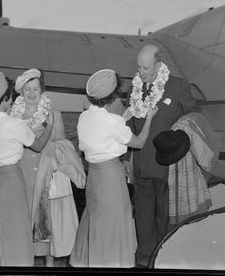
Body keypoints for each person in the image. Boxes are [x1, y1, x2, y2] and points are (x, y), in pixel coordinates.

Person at [69, 69, 158, 268]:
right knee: (116, 219)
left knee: (98, 219)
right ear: (113, 96)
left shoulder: (85, 117)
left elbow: (108, 128)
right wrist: (150, 117)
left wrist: (127, 114)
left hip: (94, 177)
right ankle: (113, 264)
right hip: (111, 178)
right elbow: (139, 142)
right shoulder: (112, 121)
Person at [123, 44, 200, 267]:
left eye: (145, 67)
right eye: (138, 67)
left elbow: (195, 115)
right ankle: (144, 258)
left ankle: (164, 258)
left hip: (168, 166)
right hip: (140, 164)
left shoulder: (177, 86)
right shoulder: (134, 87)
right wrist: (127, 158)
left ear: (159, 65)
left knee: (165, 215)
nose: (141, 72)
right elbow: (129, 127)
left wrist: (181, 134)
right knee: (144, 216)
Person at [0, 71, 54, 266]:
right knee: (16, 230)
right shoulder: (14, 124)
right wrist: (49, 125)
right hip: (12, 180)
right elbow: (38, 146)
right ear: (7, 98)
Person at [11, 68, 85, 267]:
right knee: (23, 219)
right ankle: (22, 261)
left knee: (45, 222)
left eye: (36, 89)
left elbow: (64, 144)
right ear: (21, 91)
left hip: (46, 176)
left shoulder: (53, 114)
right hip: (21, 173)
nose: (32, 93)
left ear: (42, 91)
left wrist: (52, 153)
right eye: (28, 89)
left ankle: (49, 264)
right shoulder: (13, 117)